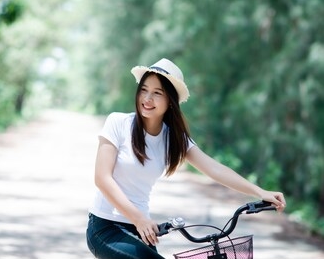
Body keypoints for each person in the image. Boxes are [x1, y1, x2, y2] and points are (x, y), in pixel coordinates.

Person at [86, 58, 286, 259]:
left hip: (143, 229)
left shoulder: (173, 138)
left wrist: (260, 191)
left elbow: (215, 169)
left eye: (157, 93)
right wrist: (139, 219)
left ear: (170, 101)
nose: (147, 98)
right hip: (106, 226)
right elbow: (102, 178)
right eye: (144, 90)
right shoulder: (118, 122)